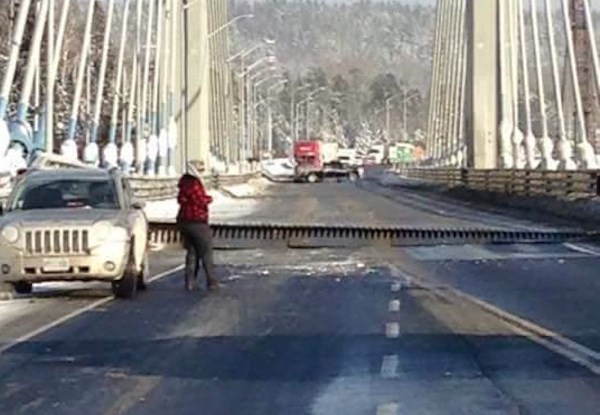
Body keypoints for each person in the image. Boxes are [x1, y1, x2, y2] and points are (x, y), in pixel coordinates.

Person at [176, 160, 218, 292]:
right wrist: (209, 199)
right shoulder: (195, 183)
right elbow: (199, 200)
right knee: (206, 251)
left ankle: (190, 282)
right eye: (200, 168)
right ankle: (211, 282)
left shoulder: (183, 182)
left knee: (192, 251)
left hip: (184, 221)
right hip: (197, 221)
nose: (202, 170)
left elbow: (181, 199)